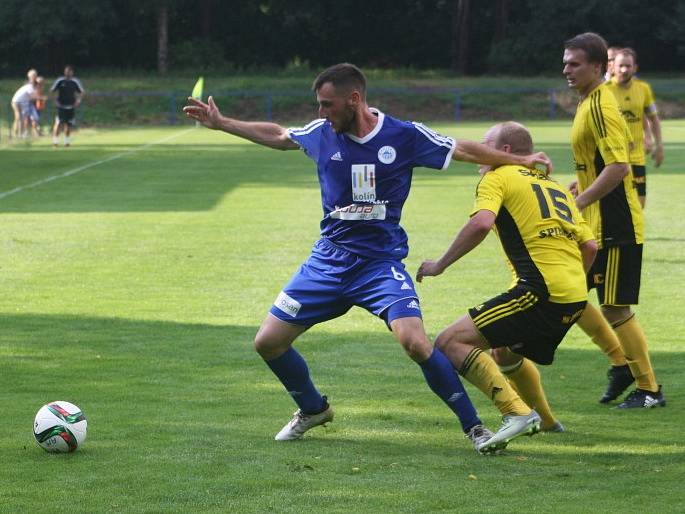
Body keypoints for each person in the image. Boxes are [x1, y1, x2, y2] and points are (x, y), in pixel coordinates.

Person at [183, 63, 553, 452]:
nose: (322, 113)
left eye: (328, 105)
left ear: (354, 99)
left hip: (379, 266)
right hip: (327, 262)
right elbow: (278, 135)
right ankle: (313, 409)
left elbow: (458, 148)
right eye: (319, 106)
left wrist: (521, 161)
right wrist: (222, 122)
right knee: (268, 343)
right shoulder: (321, 133)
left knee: (416, 342)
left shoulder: (404, 135)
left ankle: (474, 428)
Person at [416, 121, 597, 451]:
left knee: (450, 342)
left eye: (487, 145)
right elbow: (590, 247)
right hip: (574, 297)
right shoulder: (554, 186)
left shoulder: (496, 176)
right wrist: (570, 286)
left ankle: (516, 413)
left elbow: (482, 223)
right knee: (503, 350)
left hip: (540, 290)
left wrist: (439, 264)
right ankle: (547, 420)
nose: (480, 154)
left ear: (505, 152)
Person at [563, 32, 665, 408]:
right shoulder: (588, 102)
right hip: (595, 221)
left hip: (615, 224)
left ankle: (649, 389)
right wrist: (582, 183)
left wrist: (582, 199)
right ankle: (621, 363)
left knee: (613, 307)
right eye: (565, 62)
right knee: (566, 295)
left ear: (598, 67)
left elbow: (620, 166)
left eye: (574, 63)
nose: (566, 69)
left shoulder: (601, 106)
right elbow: (602, 162)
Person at [606, 48, 663, 208]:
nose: (624, 70)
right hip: (612, 158)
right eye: (621, 66)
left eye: (628, 66)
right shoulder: (604, 90)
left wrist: (658, 145)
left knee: (639, 205)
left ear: (635, 68)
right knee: (613, 205)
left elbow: (653, 119)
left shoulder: (643, 89)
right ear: (613, 67)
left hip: (637, 157)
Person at [51, 65, 84, 147]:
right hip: (61, 106)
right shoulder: (60, 81)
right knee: (58, 123)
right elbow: (52, 91)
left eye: (69, 71)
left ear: (72, 72)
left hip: (71, 106)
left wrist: (78, 101)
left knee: (68, 124)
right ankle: (55, 142)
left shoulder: (75, 82)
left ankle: (67, 142)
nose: (67, 73)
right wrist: (55, 101)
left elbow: (81, 92)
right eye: (66, 71)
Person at [10, 69, 37, 138]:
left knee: (20, 118)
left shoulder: (33, 84)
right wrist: (41, 98)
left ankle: (18, 133)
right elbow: (32, 96)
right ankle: (17, 134)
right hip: (16, 101)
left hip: (23, 102)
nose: (34, 77)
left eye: (35, 75)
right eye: (33, 76)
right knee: (18, 117)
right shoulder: (30, 85)